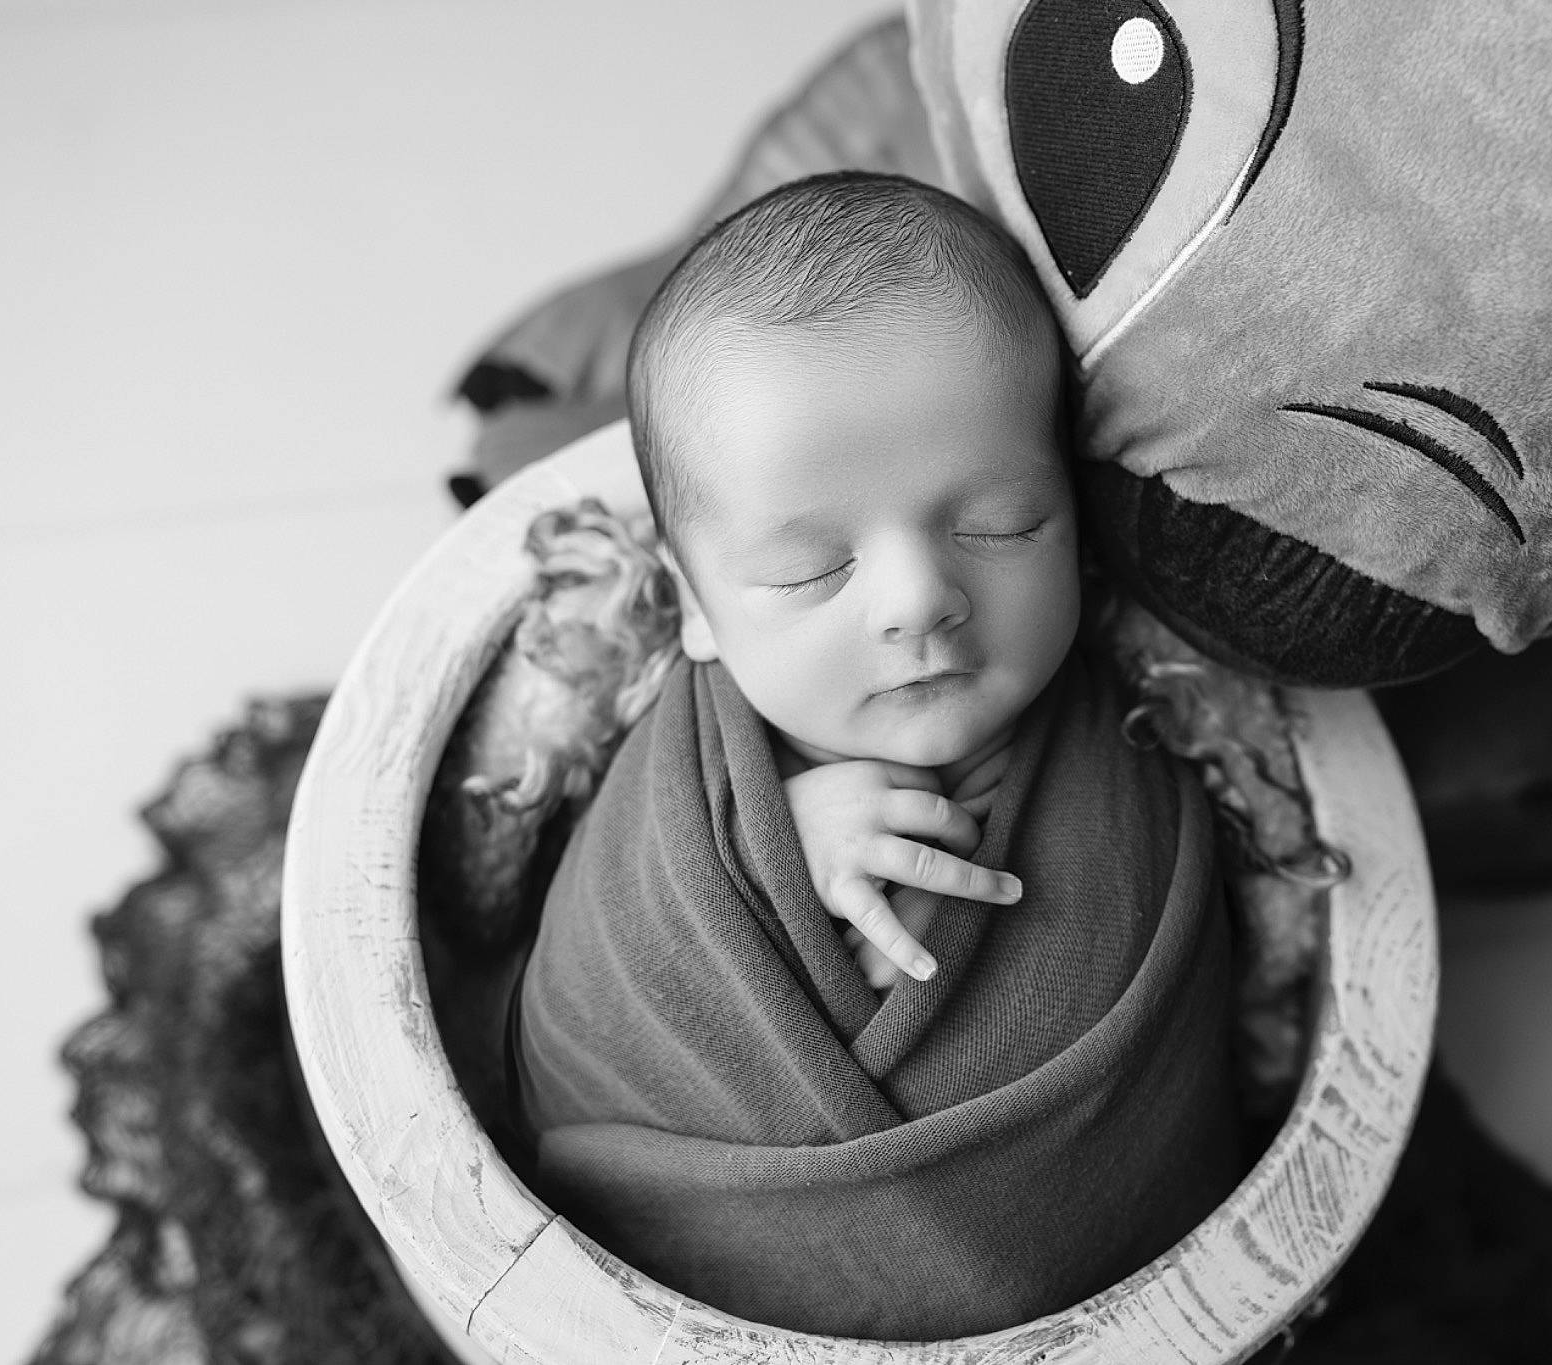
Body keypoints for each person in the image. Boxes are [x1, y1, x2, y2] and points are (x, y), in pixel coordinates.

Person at [510, 171, 1239, 1341]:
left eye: (1000, 523)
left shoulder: (1149, 720)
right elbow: (594, 1009)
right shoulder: (677, 771)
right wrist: (766, 847)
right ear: (689, 608)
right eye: (807, 572)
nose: (918, 600)